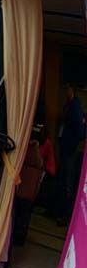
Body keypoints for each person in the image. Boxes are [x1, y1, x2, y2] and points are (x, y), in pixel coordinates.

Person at [56, 85, 85, 225]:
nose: (65, 92)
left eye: (67, 89)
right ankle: (60, 212)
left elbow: (80, 131)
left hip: (69, 149)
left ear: (72, 91)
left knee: (68, 182)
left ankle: (67, 217)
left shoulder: (75, 107)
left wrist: (71, 144)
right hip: (64, 147)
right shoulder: (68, 105)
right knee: (62, 179)